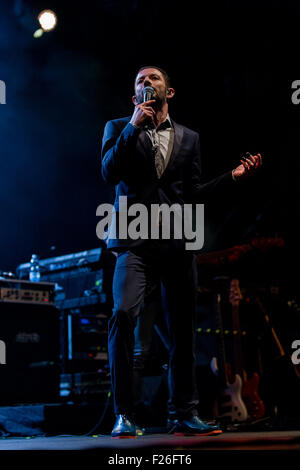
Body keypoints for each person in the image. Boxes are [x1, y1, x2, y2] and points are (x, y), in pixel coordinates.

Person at [101, 65, 262, 438]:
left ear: (168, 92)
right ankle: (124, 414)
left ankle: (184, 413)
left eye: (153, 78)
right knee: (123, 315)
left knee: (183, 331)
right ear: (133, 97)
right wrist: (132, 126)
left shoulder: (190, 139)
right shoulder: (117, 127)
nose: (147, 83)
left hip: (175, 244)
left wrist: (232, 177)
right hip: (133, 242)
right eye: (140, 81)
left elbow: (193, 194)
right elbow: (109, 173)